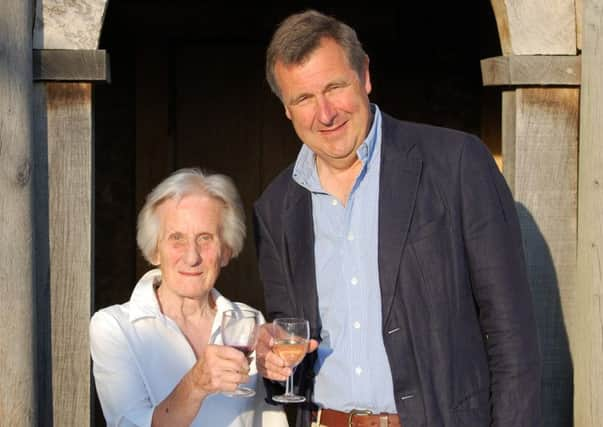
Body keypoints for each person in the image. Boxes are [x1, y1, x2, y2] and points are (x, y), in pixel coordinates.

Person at [253, 9, 541, 427]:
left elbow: (512, 335)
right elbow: (289, 340)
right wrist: (271, 360)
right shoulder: (276, 206)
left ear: (365, 75)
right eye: (303, 99)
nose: (325, 113)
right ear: (286, 108)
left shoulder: (456, 164)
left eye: (334, 87)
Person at [90, 168, 288, 427]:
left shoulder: (249, 322)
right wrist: (196, 384)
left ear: (226, 250)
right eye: (177, 239)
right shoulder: (114, 327)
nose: (192, 257)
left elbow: (270, 422)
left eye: (205, 238)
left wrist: (284, 371)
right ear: (154, 250)